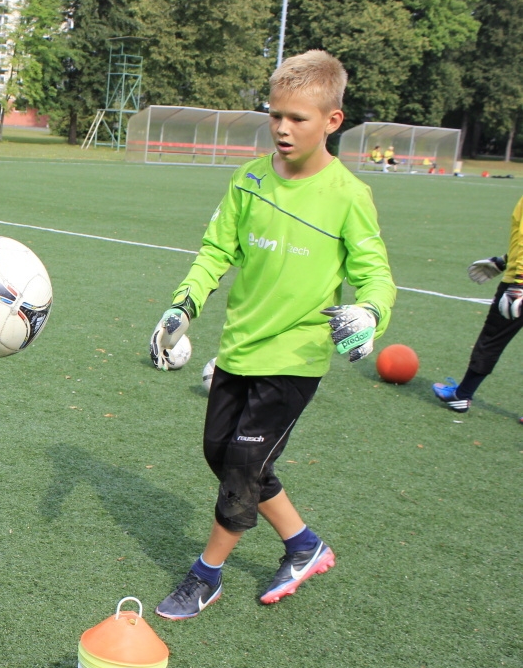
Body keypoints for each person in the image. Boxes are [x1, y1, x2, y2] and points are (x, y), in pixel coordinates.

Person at [147, 50, 396, 620]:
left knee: (240, 467)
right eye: (275, 114)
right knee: (221, 453)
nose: (282, 128)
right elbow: (217, 251)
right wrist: (185, 303)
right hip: (240, 346)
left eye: (299, 118)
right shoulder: (249, 179)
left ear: (333, 121)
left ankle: (205, 576)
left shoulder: (349, 196)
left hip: (297, 357)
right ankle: (304, 546)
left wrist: (371, 314)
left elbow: (374, 274)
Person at [432, 202, 523, 419]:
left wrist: (519, 282)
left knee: (491, 340)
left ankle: (462, 395)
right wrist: (503, 262)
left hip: (518, 285)